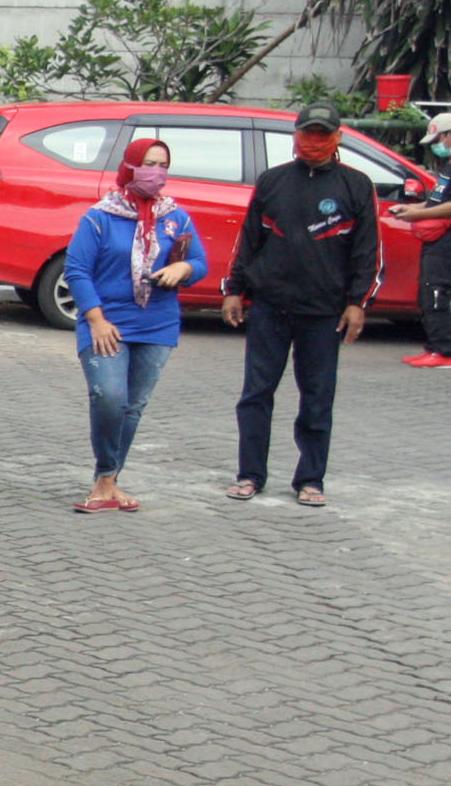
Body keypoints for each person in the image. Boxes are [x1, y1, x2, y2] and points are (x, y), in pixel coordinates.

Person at [223, 102, 379, 506]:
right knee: (256, 394)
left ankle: (311, 480)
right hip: (269, 307)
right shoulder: (272, 180)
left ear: (337, 138)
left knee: (317, 398)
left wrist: (357, 303)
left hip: (324, 313)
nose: (313, 142)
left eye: (322, 135)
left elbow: (367, 252)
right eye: (307, 133)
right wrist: (234, 289)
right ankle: (250, 475)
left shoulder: (356, 185)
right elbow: (249, 241)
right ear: (295, 135)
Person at [62, 138, 207, 512]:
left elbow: (200, 263)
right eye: (148, 163)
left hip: (157, 324)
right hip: (107, 323)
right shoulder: (100, 217)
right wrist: (96, 319)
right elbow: (76, 270)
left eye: (162, 165)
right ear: (129, 167)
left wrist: (183, 268)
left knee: (133, 405)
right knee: (110, 397)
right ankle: (106, 475)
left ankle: (107, 480)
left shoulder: (176, 217)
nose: (156, 172)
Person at [397, 109, 451, 368]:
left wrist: (418, 215)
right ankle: (434, 347)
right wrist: (412, 209)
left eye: (439, 139)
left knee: (437, 291)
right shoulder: (447, 166)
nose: (437, 146)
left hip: (446, 240)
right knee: (428, 290)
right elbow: (436, 202)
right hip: (436, 240)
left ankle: (444, 351)